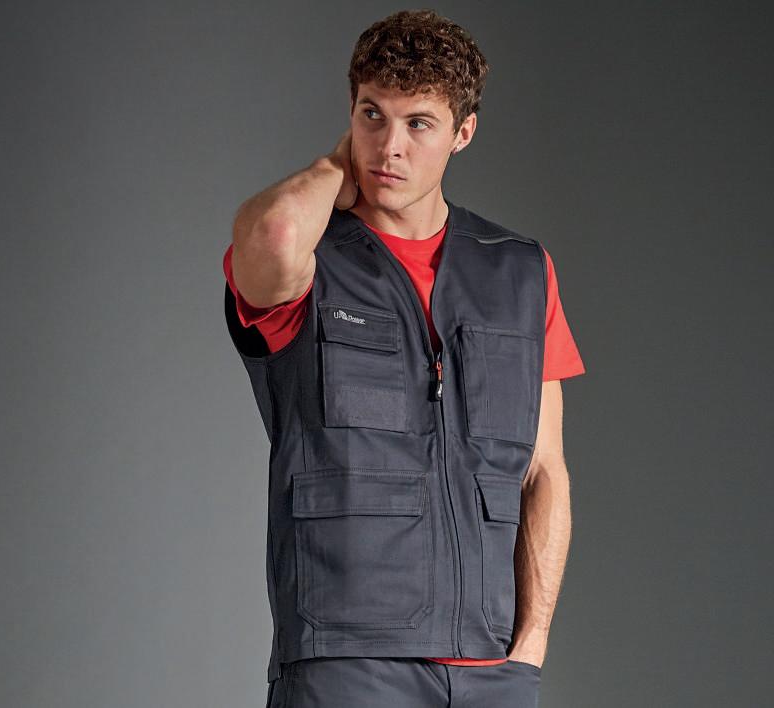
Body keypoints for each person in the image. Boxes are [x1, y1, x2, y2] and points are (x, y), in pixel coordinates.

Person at [222, 9, 585, 707]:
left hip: (491, 668)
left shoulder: (520, 273)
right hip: (346, 662)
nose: (389, 147)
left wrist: (530, 646)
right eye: (372, 115)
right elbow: (271, 236)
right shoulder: (311, 262)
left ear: (463, 133)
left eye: (418, 123)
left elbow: (544, 469)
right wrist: (334, 167)